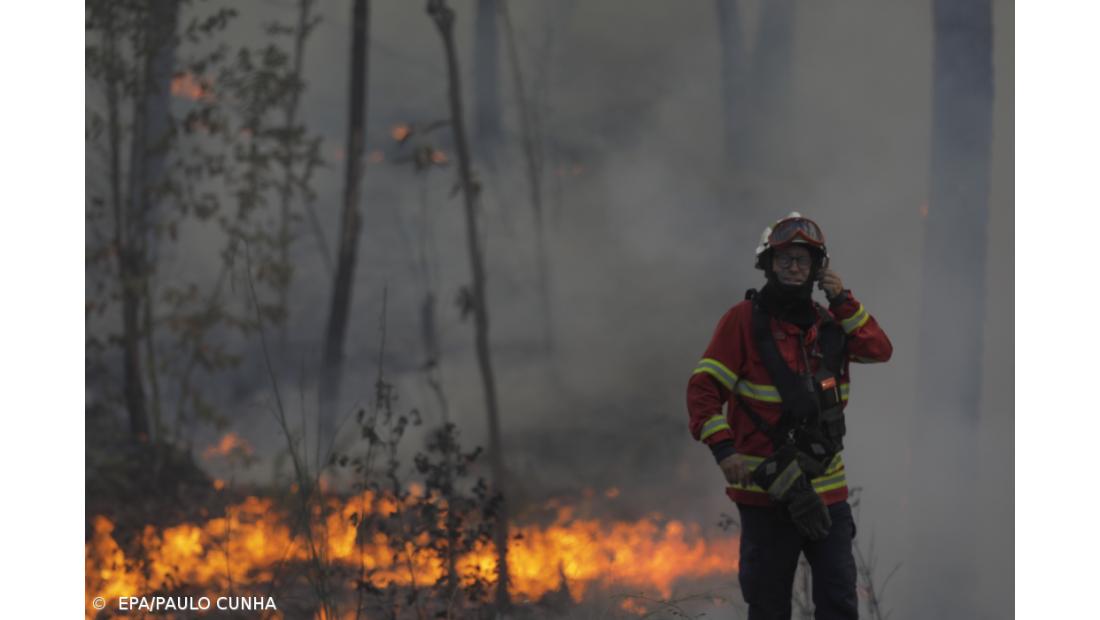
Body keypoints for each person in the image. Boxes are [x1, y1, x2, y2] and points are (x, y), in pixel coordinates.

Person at [686, 213, 893, 620]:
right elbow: (703, 390)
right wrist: (724, 450)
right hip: (767, 497)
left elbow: (879, 350)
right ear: (768, 264)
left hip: (827, 495)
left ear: (818, 269)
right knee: (768, 607)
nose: (794, 267)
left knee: (838, 604)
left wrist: (842, 299)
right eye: (785, 259)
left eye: (803, 260)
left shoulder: (830, 324)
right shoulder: (742, 322)